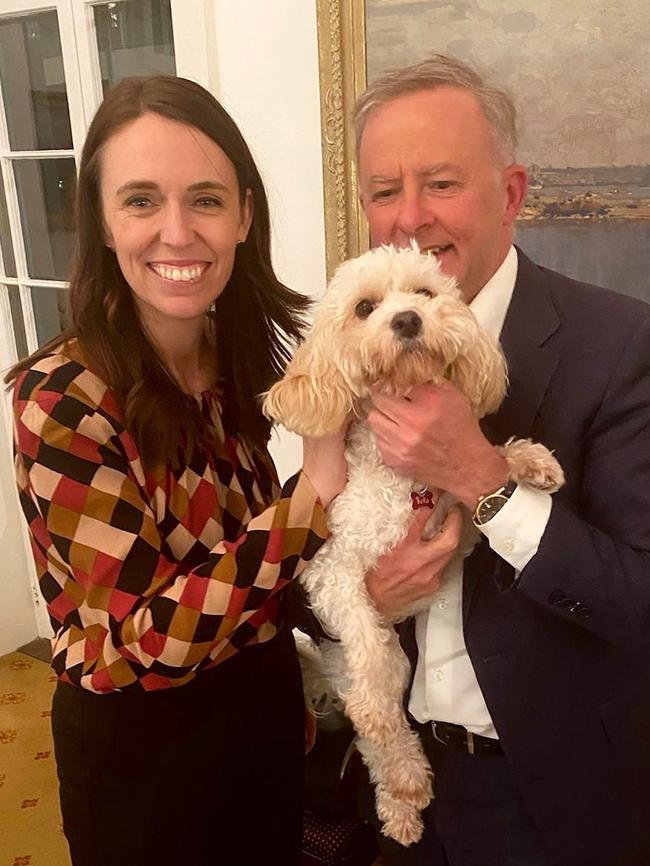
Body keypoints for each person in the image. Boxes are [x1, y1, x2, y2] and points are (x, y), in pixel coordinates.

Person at [6, 75, 346, 866]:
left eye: (204, 198)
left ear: (244, 215)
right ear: (99, 218)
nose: (176, 232)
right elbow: (141, 640)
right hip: (142, 753)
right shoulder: (61, 397)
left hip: (259, 710)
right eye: (140, 200)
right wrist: (317, 494)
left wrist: (294, 659)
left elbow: (247, 555)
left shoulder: (234, 356)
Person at [351, 55, 650, 866]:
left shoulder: (622, 343)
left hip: (553, 799)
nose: (408, 218)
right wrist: (371, 599)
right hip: (408, 785)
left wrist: (482, 478)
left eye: (440, 183)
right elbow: (317, 569)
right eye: (384, 191)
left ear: (512, 193)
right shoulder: (357, 338)